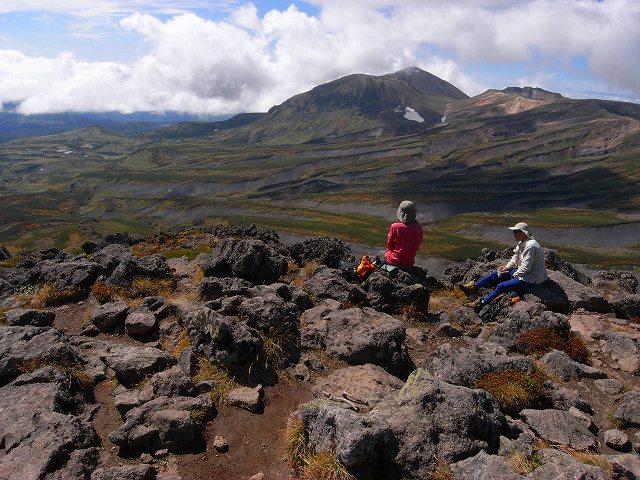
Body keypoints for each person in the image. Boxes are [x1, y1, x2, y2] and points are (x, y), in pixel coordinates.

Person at [460, 222, 548, 308]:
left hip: (530, 279)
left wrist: (514, 275)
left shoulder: (530, 246)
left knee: (501, 286)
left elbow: (526, 268)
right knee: (496, 273)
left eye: (515, 232)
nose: (514, 234)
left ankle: (481, 303)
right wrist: (507, 267)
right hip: (524, 274)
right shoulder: (523, 242)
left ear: (522, 232)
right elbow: (515, 258)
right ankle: (474, 287)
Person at [378, 200, 423, 268]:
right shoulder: (419, 227)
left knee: (380, 253)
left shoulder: (395, 226)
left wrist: (388, 253)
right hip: (409, 262)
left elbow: (390, 245)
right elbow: (417, 246)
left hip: (394, 261)